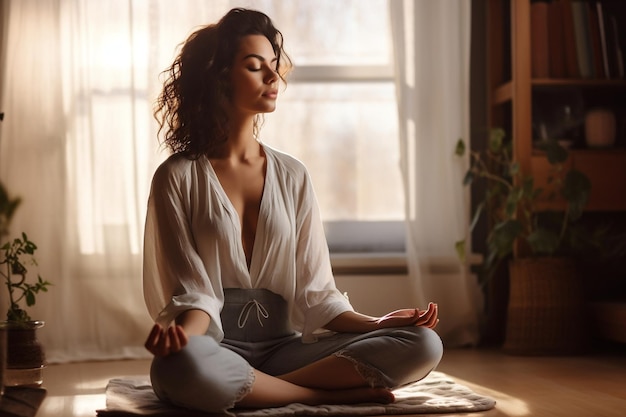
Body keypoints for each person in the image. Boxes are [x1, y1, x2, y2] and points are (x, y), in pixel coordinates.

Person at [142, 7, 443, 414]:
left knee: (424, 344)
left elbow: (318, 295)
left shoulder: (293, 175)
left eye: (273, 65)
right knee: (178, 366)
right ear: (219, 77)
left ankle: (263, 390)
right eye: (254, 66)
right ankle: (319, 395)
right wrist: (182, 339)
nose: (272, 77)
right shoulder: (176, 177)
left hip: (285, 351)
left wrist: (378, 324)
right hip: (215, 345)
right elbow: (193, 294)